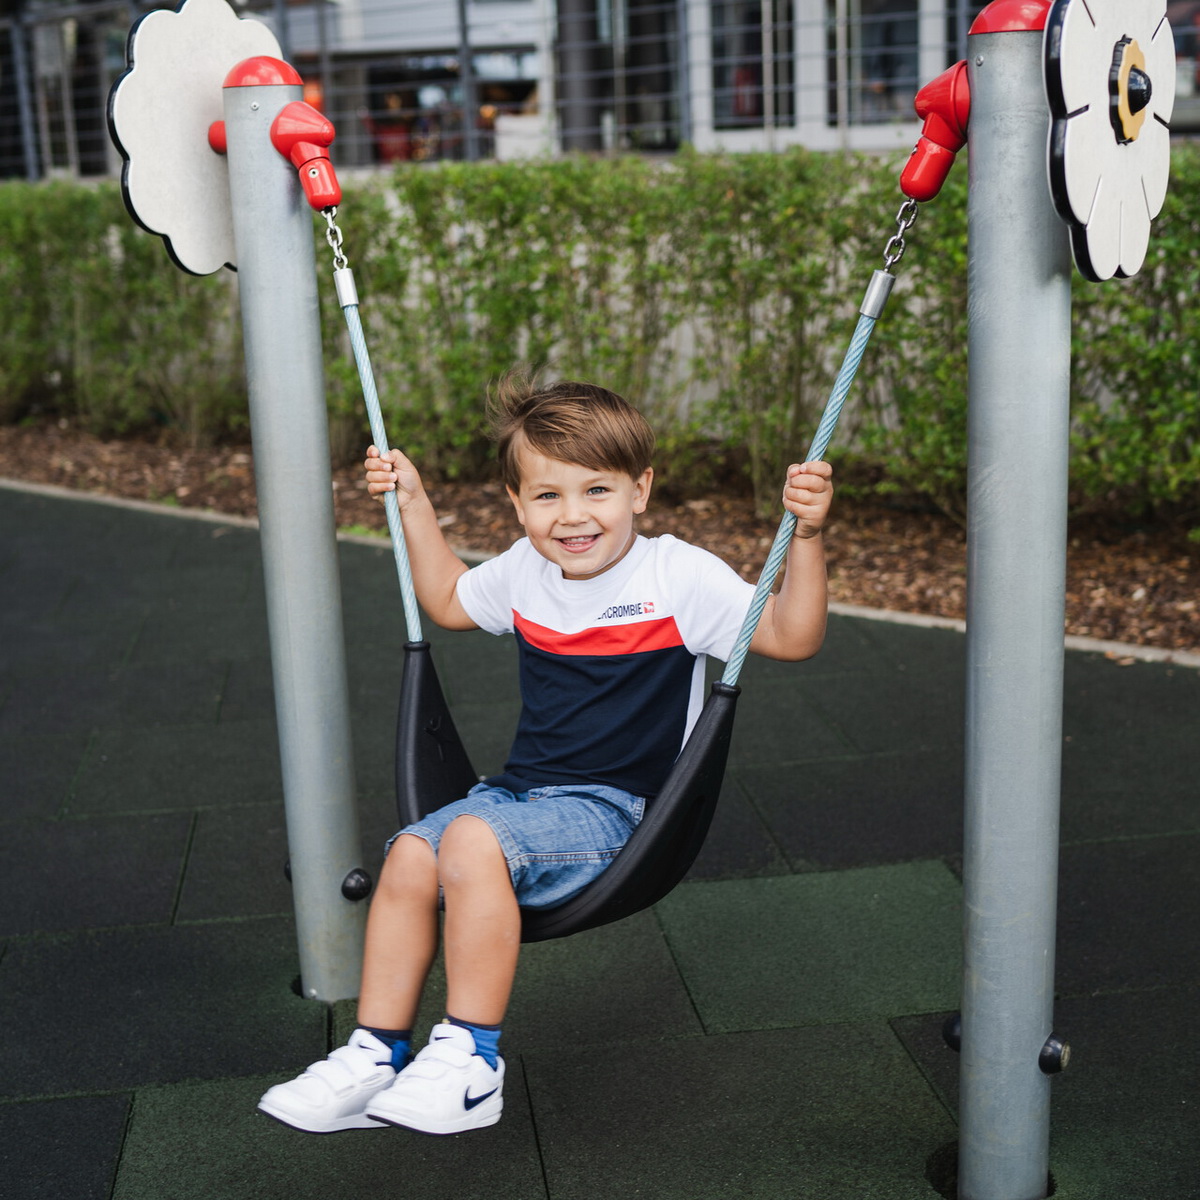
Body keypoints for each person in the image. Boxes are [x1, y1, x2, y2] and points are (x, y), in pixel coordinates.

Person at [257, 368, 833, 1136]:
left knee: (466, 837)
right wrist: (415, 503)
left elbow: (792, 637)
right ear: (517, 503)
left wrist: (811, 536)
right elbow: (452, 602)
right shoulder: (528, 573)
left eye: (597, 491)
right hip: (522, 799)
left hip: (623, 815)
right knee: (408, 858)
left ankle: (470, 1062)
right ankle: (374, 1054)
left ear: (640, 489)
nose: (572, 517)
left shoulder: (677, 577)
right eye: (547, 496)